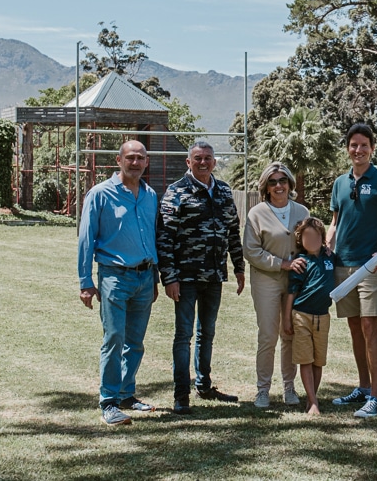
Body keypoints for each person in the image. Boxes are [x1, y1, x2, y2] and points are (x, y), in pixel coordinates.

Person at [157, 140, 245, 413]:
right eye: (198, 158)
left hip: (214, 276)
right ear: (188, 162)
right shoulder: (176, 192)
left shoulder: (223, 191)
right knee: (183, 335)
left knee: (207, 333)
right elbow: (165, 238)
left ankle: (204, 385)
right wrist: (169, 277)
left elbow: (232, 231)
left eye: (208, 158)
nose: (203, 162)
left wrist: (239, 268)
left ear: (214, 162)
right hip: (185, 278)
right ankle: (181, 394)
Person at [78, 140, 159, 426]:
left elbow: (152, 237)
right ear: (119, 160)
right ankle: (109, 402)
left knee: (135, 342)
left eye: (140, 158)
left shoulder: (150, 195)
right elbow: (86, 240)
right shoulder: (100, 194)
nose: (135, 162)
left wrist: (156, 278)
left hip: (145, 277)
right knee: (114, 339)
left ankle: (127, 394)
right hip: (114, 276)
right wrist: (85, 282)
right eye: (130, 158)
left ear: (146, 162)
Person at [327, 123, 377, 418]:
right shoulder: (340, 183)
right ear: (348, 149)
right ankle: (363, 387)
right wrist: (327, 247)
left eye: (364, 145)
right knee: (354, 327)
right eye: (354, 145)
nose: (359, 150)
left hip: (370, 266)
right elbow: (334, 222)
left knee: (370, 327)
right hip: (342, 264)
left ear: (372, 147)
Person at [243, 162, 309, 409]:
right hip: (266, 280)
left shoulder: (302, 212)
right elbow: (250, 251)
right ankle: (263, 390)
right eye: (273, 181)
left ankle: (289, 388)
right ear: (266, 186)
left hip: (295, 281)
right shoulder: (256, 213)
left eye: (283, 180)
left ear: (290, 183)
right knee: (268, 335)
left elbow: (310, 243)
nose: (278, 185)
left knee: (289, 333)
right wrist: (281, 264)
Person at [283, 217, 337, 415]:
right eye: (307, 236)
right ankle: (313, 401)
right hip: (301, 316)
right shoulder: (301, 263)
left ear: (322, 238)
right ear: (300, 239)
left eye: (315, 236)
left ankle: (311, 396)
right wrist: (287, 318)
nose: (311, 240)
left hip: (323, 317)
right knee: (305, 359)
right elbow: (291, 293)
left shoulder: (330, 257)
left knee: (318, 360)